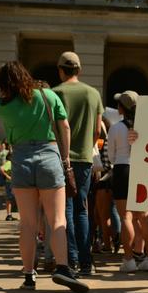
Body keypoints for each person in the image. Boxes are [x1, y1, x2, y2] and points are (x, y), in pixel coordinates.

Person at [0, 61, 89, 293]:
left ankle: (29, 275)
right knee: (57, 219)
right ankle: (62, 267)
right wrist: (66, 160)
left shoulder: (6, 104)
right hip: (49, 156)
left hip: (20, 159)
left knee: (28, 224)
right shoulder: (49, 96)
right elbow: (65, 127)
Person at [52, 52, 104, 277]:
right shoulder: (93, 94)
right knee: (82, 210)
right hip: (83, 158)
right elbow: (97, 131)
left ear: (60, 70)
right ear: (79, 70)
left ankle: (70, 259)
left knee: (65, 211)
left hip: (59, 157)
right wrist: (85, 148)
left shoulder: (55, 93)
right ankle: (85, 261)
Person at [108, 91, 148, 272]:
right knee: (145, 216)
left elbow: (111, 157)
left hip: (122, 169)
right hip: (142, 170)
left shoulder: (116, 128)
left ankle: (128, 260)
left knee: (126, 216)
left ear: (121, 108)